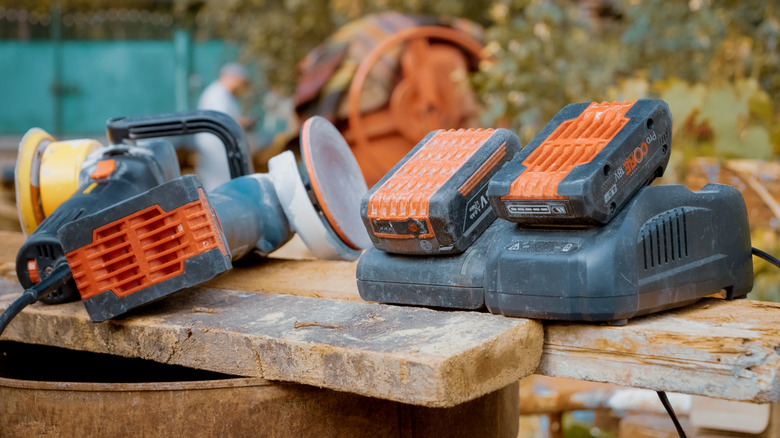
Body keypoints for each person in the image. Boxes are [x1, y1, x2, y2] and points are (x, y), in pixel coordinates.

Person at [195, 63, 255, 190]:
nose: (242, 86)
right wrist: (244, 123)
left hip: (220, 149)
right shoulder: (218, 95)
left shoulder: (223, 94)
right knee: (219, 186)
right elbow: (223, 122)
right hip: (217, 150)